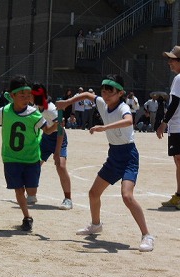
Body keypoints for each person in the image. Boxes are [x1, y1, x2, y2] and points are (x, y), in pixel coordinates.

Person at [56, 74, 154, 252]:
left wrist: (104, 127)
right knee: (94, 193)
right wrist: (67, 102)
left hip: (128, 155)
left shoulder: (123, 107)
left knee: (127, 196)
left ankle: (147, 235)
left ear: (121, 93)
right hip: (114, 155)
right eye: (104, 91)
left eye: (111, 92)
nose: (106, 95)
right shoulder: (102, 102)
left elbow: (129, 120)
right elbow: (86, 95)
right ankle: (96, 225)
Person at [0, 75, 58, 231]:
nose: (26, 98)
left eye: (28, 95)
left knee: (31, 192)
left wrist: (58, 124)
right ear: (12, 96)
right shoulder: (4, 111)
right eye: (22, 95)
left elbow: (48, 131)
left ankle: (28, 205)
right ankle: (27, 217)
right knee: (18, 189)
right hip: (11, 157)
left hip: (31, 158)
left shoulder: (34, 114)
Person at [31, 83, 72, 210]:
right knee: (35, 164)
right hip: (46, 138)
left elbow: (61, 127)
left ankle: (68, 199)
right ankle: (32, 195)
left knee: (60, 166)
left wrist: (57, 151)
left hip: (59, 138)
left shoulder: (51, 109)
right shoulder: (36, 106)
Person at [157, 46, 180, 209]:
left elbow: (175, 103)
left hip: (178, 126)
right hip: (177, 125)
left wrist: (164, 122)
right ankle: (179, 195)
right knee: (178, 162)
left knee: (179, 161)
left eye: (172, 59)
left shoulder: (179, 79)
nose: (169, 63)